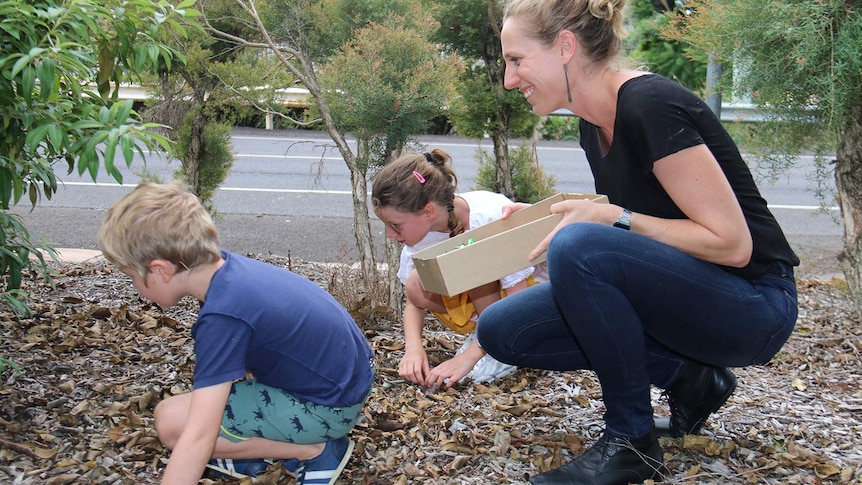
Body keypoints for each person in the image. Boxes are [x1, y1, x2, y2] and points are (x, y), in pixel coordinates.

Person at [475, 1, 800, 484]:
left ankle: (631, 441)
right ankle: (690, 379)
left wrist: (608, 219)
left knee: (581, 248)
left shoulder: (650, 105)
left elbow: (733, 245)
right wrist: (551, 215)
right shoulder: (593, 122)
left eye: (516, 60)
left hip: (754, 304)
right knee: (502, 330)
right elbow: (647, 208)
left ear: (565, 47)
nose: (508, 78)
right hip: (688, 299)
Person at [97, 181, 375, 485]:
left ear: (161, 270)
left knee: (171, 424)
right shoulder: (229, 271)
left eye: (132, 277)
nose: (135, 288)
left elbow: (198, 436)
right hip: (342, 387)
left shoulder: (223, 316)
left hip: (328, 409)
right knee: (182, 412)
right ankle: (270, 447)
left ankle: (314, 450)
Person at [372, 149, 543, 389]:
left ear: (429, 211)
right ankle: (484, 335)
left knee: (469, 257)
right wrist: (413, 349)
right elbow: (414, 301)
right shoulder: (420, 237)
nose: (390, 234)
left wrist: (467, 359)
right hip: (489, 304)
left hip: (530, 295)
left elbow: (519, 302)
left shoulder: (490, 219)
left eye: (396, 225)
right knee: (415, 282)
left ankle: (498, 349)